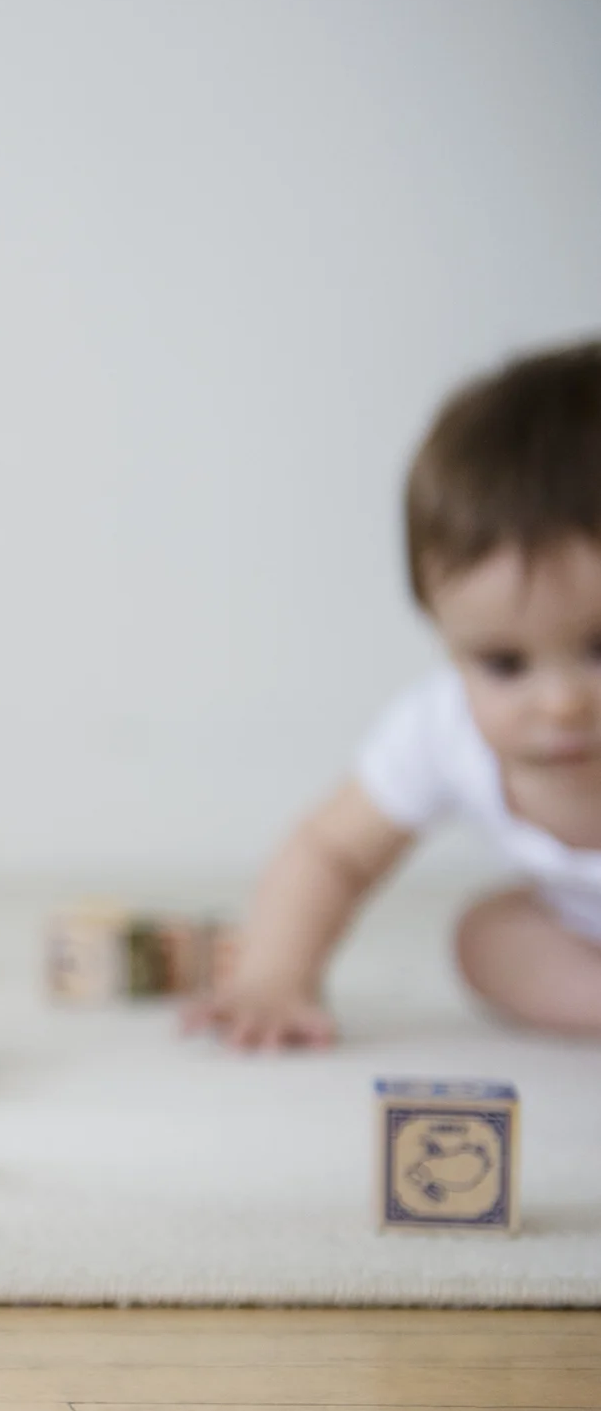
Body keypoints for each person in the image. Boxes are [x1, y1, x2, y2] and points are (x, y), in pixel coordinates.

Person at [189, 340, 601, 1049]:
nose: (562, 703)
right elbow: (331, 852)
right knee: (489, 937)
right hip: (580, 932)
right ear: (443, 634)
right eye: (505, 663)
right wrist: (275, 976)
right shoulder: (442, 729)